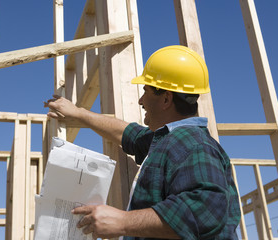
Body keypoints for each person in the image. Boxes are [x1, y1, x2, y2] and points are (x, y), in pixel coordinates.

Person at [46, 45, 241, 240]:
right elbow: (128, 134)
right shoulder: (170, 141)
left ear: (166, 99)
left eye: (146, 91)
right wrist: (79, 113)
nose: (140, 100)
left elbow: (206, 208)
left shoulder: (194, 144)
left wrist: (123, 221)